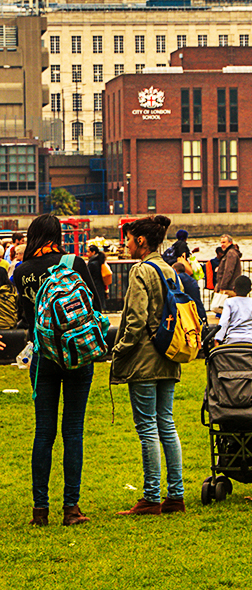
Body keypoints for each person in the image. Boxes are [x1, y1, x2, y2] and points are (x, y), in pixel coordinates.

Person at [14, 213, 97, 526]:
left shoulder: (21, 271)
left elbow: (25, 316)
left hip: (43, 357)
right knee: (73, 431)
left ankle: (40, 510)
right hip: (77, 355)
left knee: (43, 432)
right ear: (57, 236)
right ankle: (71, 508)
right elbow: (95, 307)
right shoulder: (74, 264)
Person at [111, 215, 185, 517]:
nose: (126, 245)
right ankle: (176, 496)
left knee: (147, 428)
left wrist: (119, 349)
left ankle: (151, 497)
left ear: (141, 241)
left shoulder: (141, 271)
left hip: (143, 359)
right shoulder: (171, 270)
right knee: (166, 423)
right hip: (169, 355)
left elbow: (136, 319)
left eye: (128, 239)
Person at [214, 275, 252, 346]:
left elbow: (224, 322)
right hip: (250, 339)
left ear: (234, 289)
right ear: (250, 290)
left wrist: (218, 338)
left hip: (232, 339)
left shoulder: (229, 302)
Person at [85, 242, 108, 311]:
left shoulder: (92, 264)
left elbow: (88, 276)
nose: (87, 254)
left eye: (88, 252)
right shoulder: (99, 261)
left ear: (93, 252)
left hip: (94, 287)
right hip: (100, 287)